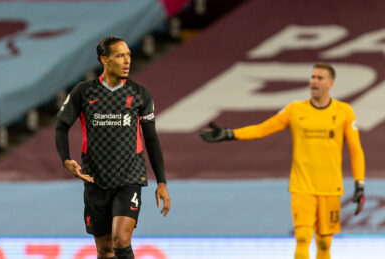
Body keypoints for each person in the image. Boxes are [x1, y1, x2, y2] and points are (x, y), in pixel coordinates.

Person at [199, 62, 365, 259]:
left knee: (324, 243)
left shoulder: (344, 111)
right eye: (312, 77)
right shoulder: (295, 110)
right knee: (302, 238)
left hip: (330, 188)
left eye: (319, 78)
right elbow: (262, 129)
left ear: (330, 83)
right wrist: (230, 134)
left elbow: (356, 149)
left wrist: (359, 182)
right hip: (302, 187)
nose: (314, 81)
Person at [55, 36, 170, 259]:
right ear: (104, 60)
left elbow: (151, 139)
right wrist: (66, 160)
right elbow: (61, 127)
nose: (127, 60)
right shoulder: (83, 92)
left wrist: (162, 182)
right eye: (120, 55)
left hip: (129, 178)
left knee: (121, 240)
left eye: (128, 55)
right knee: (105, 249)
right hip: (95, 179)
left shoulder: (140, 94)